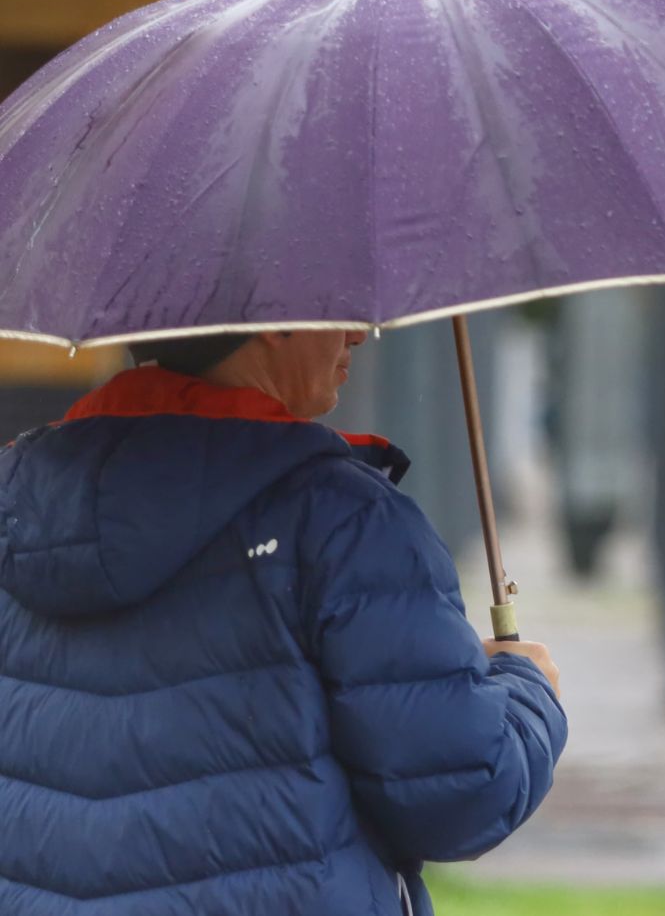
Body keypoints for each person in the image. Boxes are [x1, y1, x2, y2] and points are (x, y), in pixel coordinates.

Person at [0, 330, 566, 916]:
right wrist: (529, 690)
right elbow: (459, 797)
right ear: (273, 324)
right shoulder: (343, 521)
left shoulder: (21, 509)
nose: (358, 334)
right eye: (338, 307)